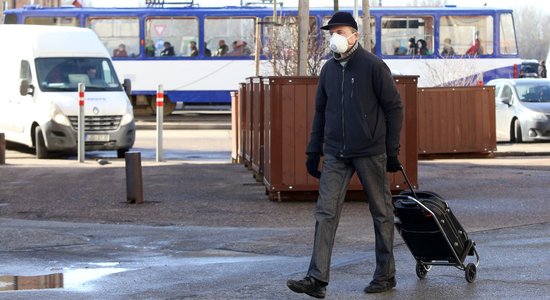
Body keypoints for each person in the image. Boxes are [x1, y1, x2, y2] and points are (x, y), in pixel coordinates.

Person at [286, 11, 403, 298]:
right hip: (336, 152)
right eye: (331, 33)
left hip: (370, 151)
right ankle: (317, 279)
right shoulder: (328, 70)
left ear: (354, 35)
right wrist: (314, 150)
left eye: (340, 32)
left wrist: (391, 151)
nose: (335, 38)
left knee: (381, 212)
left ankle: (385, 275)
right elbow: (321, 113)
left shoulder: (373, 66)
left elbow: (394, 108)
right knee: (325, 211)